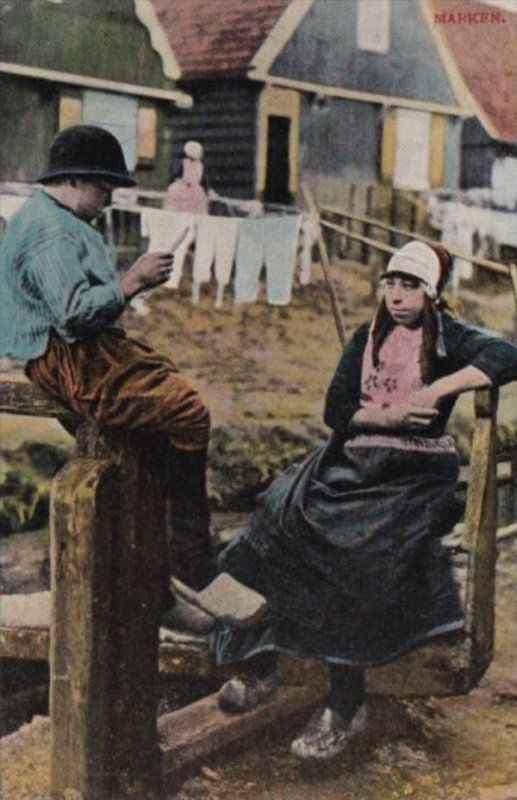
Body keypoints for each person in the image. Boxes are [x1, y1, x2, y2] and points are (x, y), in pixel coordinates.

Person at [209, 241, 517, 761]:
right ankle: (260, 660)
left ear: (431, 292)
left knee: (359, 548)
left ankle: (346, 700)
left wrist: (441, 389)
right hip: (352, 459)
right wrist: (388, 417)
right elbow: (337, 409)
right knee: (279, 513)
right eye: (390, 284)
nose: (397, 296)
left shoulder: (448, 338)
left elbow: (507, 355)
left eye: (410, 286)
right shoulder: (367, 336)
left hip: (413, 473)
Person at [0, 125, 216, 628]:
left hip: (77, 349)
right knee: (187, 411)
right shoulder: (48, 230)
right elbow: (74, 313)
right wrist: (133, 280)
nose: (109, 199)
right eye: (104, 187)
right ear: (74, 180)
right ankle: (194, 562)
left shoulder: (55, 217)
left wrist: (127, 285)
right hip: (67, 356)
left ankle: (157, 591)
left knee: (152, 431)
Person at [164, 140, 209, 215]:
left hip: (187, 190)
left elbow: (176, 174)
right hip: (193, 191)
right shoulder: (198, 165)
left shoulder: (187, 163)